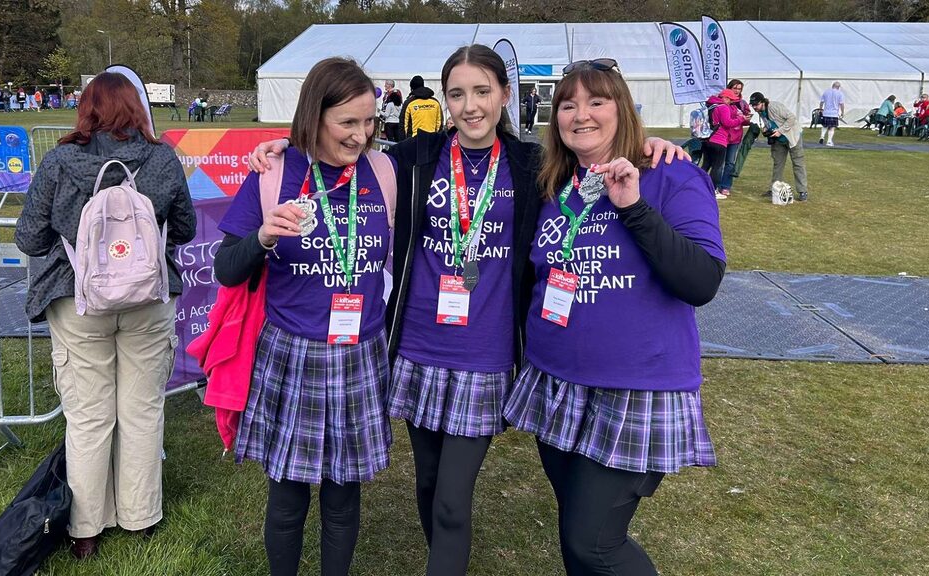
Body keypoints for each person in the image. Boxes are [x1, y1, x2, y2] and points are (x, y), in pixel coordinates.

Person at [247, 47, 685, 576]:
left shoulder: (533, 165)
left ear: (504, 94)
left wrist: (653, 145)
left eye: (482, 91)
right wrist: (282, 146)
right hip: (418, 349)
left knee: (453, 500)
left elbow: (595, 156)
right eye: (457, 93)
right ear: (443, 99)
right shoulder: (413, 158)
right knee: (429, 488)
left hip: (486, 353)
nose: (470, 106)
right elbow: (344, 150)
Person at [503, 58, 726, 576]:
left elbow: (702, 282)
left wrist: (634, 207)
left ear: (621, 108)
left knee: (594, 543)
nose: (581, 115)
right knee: (576, 534)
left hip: (634, 388)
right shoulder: (555, 183)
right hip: (556, 382)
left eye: (596, 101)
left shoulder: (669, 173)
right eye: (568, 104)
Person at [215, 57, 396, 576]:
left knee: (343, 495)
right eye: (348, 122)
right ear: (315, 116)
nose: (361, 135)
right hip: (294, 351)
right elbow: (228, 269)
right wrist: (263, 237)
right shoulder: (273, 171)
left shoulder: (382, 171)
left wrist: (646, 148)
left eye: (369, 121)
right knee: (289, 495)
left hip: (361, 352)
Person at [13, 72, 197, 560]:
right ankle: (140, 518)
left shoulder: (58, 162)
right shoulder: (162, 159)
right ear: (137, 108)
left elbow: (29, 238)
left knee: (89, 418)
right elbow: (185, 227)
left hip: (78, 302)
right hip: (148, 301)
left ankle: (87, 529)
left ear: (86, 109)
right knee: (141, 412)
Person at [749, 91, 809, 202]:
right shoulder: (760, 111)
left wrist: (780, 131)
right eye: (753, 105)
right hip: (778, 140)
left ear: (763, 102)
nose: (754, 107)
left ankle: (802, 191)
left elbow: (792, 118)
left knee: (798, 163)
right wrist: (767, 129)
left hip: (792, 137)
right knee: (778, 164)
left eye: (756, 104)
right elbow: (771, 122)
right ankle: (775, 189)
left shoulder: (775, 106)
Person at [701, 88, 744, 199]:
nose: (731, 102)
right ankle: (712, 190)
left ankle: (698, 186)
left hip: (707, 139)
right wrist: (740, 119)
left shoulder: (711, 105)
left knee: (706, 165)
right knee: (717, 166)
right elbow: (727, 123)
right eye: (729, 99)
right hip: (719, 140)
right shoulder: (723, 107)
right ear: (724, 98)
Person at [727, 79, 758, 180]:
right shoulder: (724, 102)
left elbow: (744, 121)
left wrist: (747, 119)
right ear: (729, 88)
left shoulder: (743, 103)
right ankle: (715, 185)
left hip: (735, 137)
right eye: (734, 88)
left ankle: (725, 186)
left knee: (730, 162)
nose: (736, 91)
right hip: (724, 136)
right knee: (719, 163)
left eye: (739, 89)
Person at [819, 81, 844, 146]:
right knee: (832, 128)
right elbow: (841, 104)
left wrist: (820, 109)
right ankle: (829, 141)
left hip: (826, 112)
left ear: (832, 86)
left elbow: (821, 102)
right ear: (838, 87)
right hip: (834, 113)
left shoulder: (826, 92)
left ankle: (822, 136)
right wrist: (842, 112)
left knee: (824, 126)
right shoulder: (840, 93)